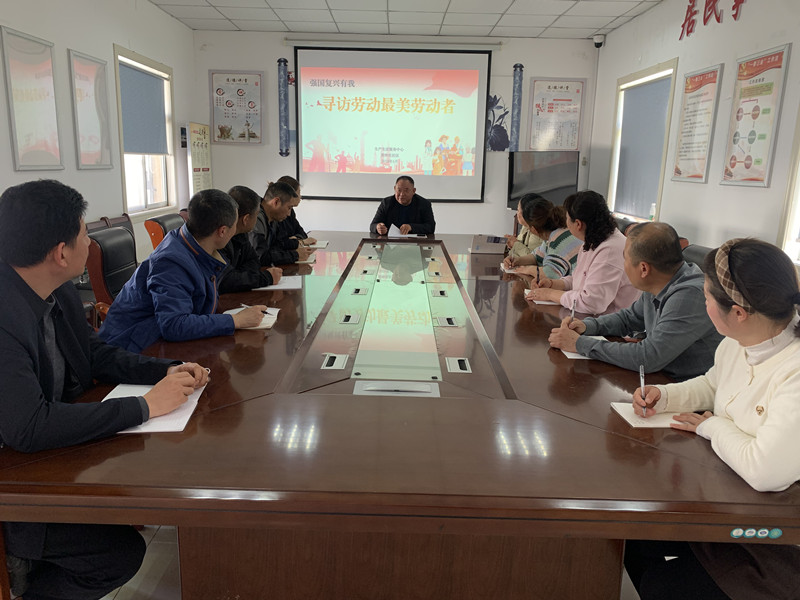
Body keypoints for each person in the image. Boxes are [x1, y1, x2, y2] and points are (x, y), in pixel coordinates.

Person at [0, 179, 209, 600]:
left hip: (51, 457)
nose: (90, 244)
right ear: (61, 253)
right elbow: (28, 426)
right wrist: (144, 407)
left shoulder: (53, 288)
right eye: (84, 235)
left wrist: (168, 369)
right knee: (116, 555)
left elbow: (94, 354)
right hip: (15, 487)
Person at [626, 238, 800, 600]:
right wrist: (665, 396)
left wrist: (710, 425)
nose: (702, 303)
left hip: (776, 536)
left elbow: (764, 470)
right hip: (728, 502)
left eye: (706, 296)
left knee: (663, 586)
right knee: (633, 537)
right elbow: (713, 383)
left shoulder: (794, 370)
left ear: (738, 312)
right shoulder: (738, 342)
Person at [548, 222, 723, 381]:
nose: (623, 265)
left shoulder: (690, 295)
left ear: (643, 268)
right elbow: (629, 318)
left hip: (686, 390)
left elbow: (648, 358)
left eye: (625, 259)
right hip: (661, 379)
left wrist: (579, 344)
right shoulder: (660, 280)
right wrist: (587, 326)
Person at [100, 189, 266, 352]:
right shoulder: (171, 262)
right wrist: (235, 320)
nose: (236, 230)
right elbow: (173, 325)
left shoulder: (193, 243)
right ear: (222, 231)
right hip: (130, 348)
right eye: (235, 226)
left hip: (156, 339)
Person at [526, 190, 639, 315]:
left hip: (611, 324)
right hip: (590, 318)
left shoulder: (610, 251)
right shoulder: (593, 240)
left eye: (567, 219)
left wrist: (550, 294)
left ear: (578, 224)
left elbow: (591, 303)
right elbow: (579, 280)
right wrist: (554, 284)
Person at [218, 185, 282, 294]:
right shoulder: (220, 238)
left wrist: (238, 275)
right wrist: (267, 277)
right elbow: (225, 281)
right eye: (256, 215)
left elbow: (254, 261)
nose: (257, 219)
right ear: (246, 219)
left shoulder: (242, 234)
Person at [504, 194, 581, 279]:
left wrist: (528, 270)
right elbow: (536, 256)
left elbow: (550, 274)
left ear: (533, 229)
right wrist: (517, 261)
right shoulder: (557, 233)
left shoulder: (556, 243)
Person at [250, 181, 314, 266]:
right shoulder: (256, 219)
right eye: (289, 208)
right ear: (276, 202)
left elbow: (278, 245)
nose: (289, 214)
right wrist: (296, 255)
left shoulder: (273, 219)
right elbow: (261, 257)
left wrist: (296, 246)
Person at [370, 175, 436, 235]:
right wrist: (378, 227)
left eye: (406, 190)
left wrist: (411, 227)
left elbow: (431, 227)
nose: (402, 194)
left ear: (413, 191)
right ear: (394, 189)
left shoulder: (424, 204)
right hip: (391, 242)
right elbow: (373, 225)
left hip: (414, 242)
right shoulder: (386, 203)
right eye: (399, 190)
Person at [272, 175, 317, 251]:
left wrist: (296, 239)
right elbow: (282, 244)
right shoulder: (276, 215)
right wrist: (300, 242)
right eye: (299, 193)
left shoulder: (290, 211)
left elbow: (302, 233)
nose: (300, 197)